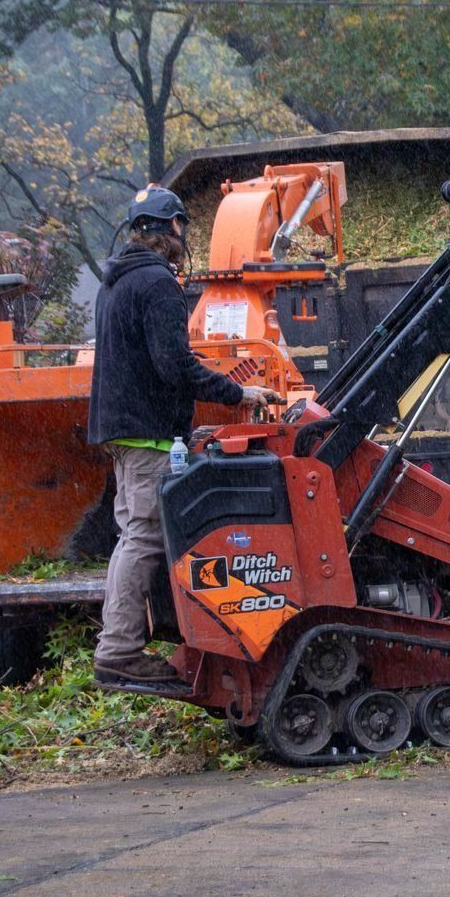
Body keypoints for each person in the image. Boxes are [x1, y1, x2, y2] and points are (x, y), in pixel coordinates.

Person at [87, 185, 281, 690]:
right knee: (145, 537)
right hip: (147, 431)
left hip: (123, 428)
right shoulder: (156, 283)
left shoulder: (116, 281)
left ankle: (124, 642)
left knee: (132, 536)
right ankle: (119, 650)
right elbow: (173, 364)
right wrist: (238, 393)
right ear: (173, 229)